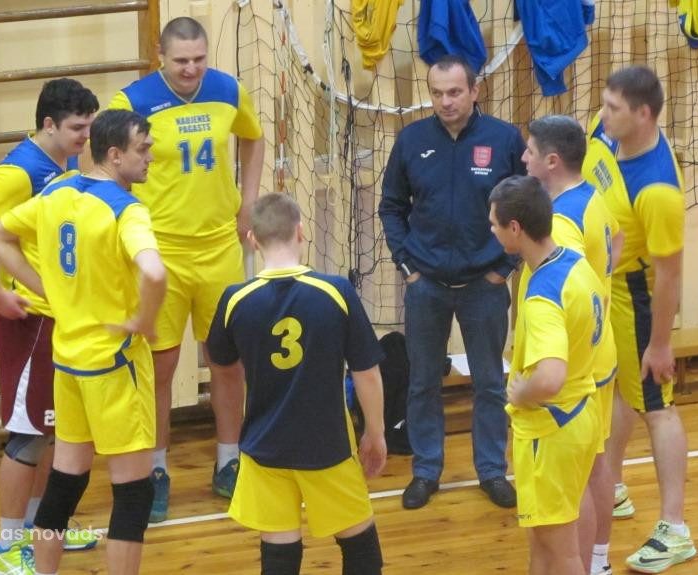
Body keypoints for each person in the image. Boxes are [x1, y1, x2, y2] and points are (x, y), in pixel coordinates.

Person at [0, 109, 166, 575]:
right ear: (115, 154)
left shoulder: (56, 192)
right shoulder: (126, 210)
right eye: (143, 149)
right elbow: (154, 271)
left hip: (68, 362)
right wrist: (144, 321)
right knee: (133, 492)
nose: (150, 157)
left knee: (65, 481)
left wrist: (45, 288)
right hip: (115, 366)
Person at [108, 16, 265, 522]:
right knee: (159, 366)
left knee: (227, 362)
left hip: (219, 249)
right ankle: (155, 470)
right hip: (162, 253)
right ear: (160, 55)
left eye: (199, 59)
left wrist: (248, 202)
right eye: (181, 61)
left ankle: (229, 461)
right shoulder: (132, 101)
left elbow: (253, 138)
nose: (191, 69)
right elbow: (109, 163)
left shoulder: (228, 91)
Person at [0, 78, 100, 575]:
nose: (86, 137)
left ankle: (42, 528)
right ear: (49, 125)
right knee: (28, 437)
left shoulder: (62, 162)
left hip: (59, 320)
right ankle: (7, 547)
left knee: (56, 430)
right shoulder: (19, 172)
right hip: (31, 323)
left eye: (90, 127)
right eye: (78, 128)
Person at [206, 193, 387, 575]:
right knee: (361, 550)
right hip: (327, 447)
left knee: (279, 555)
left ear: (253, 239)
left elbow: (223, 369)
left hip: (264, 446)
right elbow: (367, 373)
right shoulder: (336, 292)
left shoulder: (235, 299)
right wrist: (375, 433)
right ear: (301, 232)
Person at [378, 53, 524, 510]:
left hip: (486, 285)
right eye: (437, 93)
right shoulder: (411, 140)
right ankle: (426, 471)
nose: (445, 101)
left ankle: (492, 471)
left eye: (455, 92)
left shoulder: (504, 139)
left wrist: (505, 267)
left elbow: (526, 207)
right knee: (422, 382)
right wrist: (408, 266)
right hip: (426, 286)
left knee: (490, 383)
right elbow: (391, 206)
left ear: (475, 91)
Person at [594, 66, 696, 573]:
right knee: (619, 390)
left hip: (638, 299)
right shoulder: (607, 131)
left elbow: (669, 277)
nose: (602, 113)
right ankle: (611, 485)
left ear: (644, 115)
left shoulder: (658, 191)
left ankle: (675, 529)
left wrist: (659, 345)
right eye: (605, 103)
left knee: (657, 406)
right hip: (607, 288)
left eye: (613, 108)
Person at [522, 115, 623, 575]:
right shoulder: (591, 196)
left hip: (578, 366)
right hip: (601, 351)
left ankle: (581, 563)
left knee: (575, 479)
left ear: (551, 161)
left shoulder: (560, 222)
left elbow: (565, 291)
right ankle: (597, 558)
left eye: (529, 151)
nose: (523, 157)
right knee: (595, 463)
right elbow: (617, 238)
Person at [488, 175, 604, 575]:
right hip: (581, 413)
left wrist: (521, 394)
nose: (491, 229)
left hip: (550, 430)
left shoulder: (542, 296)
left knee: (563, 553)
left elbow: (551, 376)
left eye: (494, 223)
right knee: (542, 540)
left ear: (514, 228)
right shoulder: (576, 263)